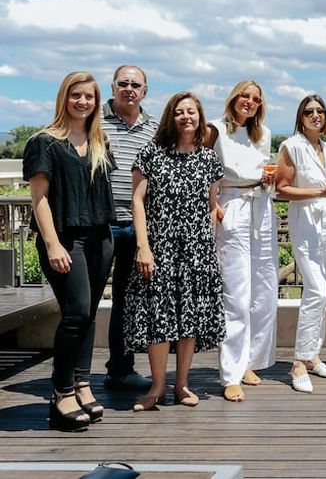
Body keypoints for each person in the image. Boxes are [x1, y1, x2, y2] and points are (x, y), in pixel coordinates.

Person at [23, 71, 115, 430]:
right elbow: (39, 198)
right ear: (65, 97)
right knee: (75, 313)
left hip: (99, 237)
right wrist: (52, 243)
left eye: (89, 97)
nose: (83, 102)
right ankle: (60, 393)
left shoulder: (98, 142)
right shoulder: (44, 142)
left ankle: (81, 383)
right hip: (65, 239)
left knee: (89, 314)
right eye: (76, 95)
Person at [126, 91, 226, 411]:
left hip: (196, 248)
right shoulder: (151, 153)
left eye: (192, 112)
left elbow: (212, 206)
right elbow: (137, 201)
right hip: (160, 245)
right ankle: (157, 387)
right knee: (160, 317)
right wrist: (143, 246)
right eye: (180, 112)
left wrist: (207, 243)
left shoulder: (209, 159)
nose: (186, 117)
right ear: (171, 116)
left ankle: (181, 384)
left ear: (200, 118)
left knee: (189, 319)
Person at [204, 80, 278, 402]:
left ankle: (250, 360)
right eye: (244, 96)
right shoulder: (215, 130)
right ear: (233, 98)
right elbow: (200, 169)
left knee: (264, 290)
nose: (249, 102)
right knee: (236, 294)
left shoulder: (264, 135)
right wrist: (212, 204)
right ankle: (230, 373)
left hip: (262, 205)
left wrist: (270, 178)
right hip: (232, 206)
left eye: (255, 99)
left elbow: (264, 171)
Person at [276, 95, 326, 393]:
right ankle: (298, 363)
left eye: (320, 111)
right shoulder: (291, 146)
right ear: (300, 116)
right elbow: (281, 189)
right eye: (309, 111)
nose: (315, 115)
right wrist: (320, 191)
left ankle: (314, 354)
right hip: (305, 227)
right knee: (315, 289)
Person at [102, 64, 158, 391]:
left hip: (138, 227)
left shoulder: (154, 128)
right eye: (123, 83)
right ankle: (75, 376)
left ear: (145, 91)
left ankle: (120, 369)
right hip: (100, 225)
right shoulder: (96, 122)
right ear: (112, 87)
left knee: (127, 301)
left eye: (135, 84)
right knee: (87, 302)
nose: (129, 89)